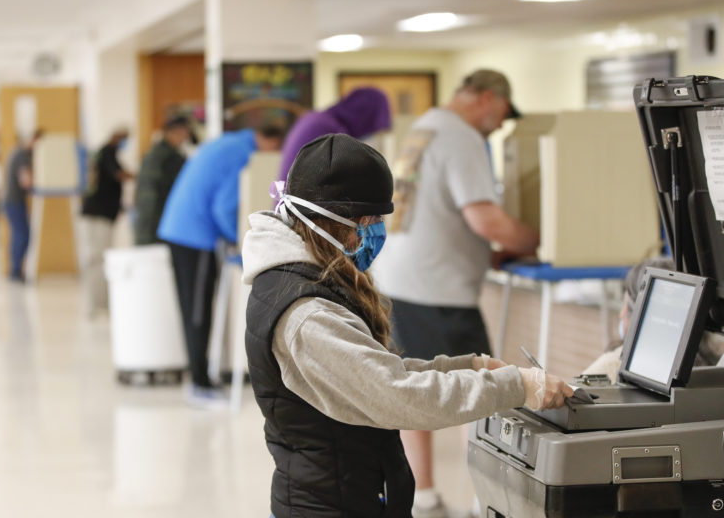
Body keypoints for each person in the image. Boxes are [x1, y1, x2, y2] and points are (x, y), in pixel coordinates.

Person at [242, 133, 573, 517]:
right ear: (329, 223)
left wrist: (472, 366)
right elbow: (397, 395)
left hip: (345, 494)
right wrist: (516, 387)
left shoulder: (307, 280)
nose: (375, 232)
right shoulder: (307, 315)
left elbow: (377, 371)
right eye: (368, 221)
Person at [369, 69, 536, 516]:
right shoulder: (462, 137)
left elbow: (438, 214)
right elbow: (486, 219)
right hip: (437, 289)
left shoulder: (425, 126)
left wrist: (487, 252)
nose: (499, 126)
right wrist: (542, 240)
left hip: (398, 281)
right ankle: (486, 502)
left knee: (411, 391)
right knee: (481, 390)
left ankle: (423, 496)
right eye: (502, 113)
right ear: (486, 98)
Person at [157, 125, 284, 407]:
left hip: (182, 229)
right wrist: (241, 241)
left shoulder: (232, 142)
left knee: (194, 309)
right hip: (194, 235)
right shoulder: (243, 153)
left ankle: (201, 378)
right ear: (272, 141)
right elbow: (224, 208)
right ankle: (199, 383)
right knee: (198, 312)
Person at [582, 257, 724, 379]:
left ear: (639, 315)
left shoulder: (609, 368)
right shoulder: (719, 370)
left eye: (625, 306)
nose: (621, 314)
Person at [276, 87, 391, 182]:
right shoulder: (331, 129)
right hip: (303, 200)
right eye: (371, 129)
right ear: (364, 118)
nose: (369, 134)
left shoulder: (319, 119)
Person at [81, 128, 134, 315]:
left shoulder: (105, 152)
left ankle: (100, 302)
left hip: (101, 214)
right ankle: (96, 303)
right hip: (99, 215)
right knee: (97, 258)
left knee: (99, 257)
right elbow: (118, 174)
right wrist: (139, 176)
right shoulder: (108, 152)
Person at [133, 116, 194, 245]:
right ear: (175, 132)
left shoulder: (154, 152)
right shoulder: (170, 157)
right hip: (158, 220)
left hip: (148, 218)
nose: (186, 138)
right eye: (184, 133)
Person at [2, 130, 43, 282]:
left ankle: (16, 270)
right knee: (22, 235)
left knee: (20, 235)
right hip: (14, 202)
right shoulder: (22, 155)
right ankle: (16, 271)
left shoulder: (17, 152)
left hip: (12, 201)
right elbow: (26, 181)